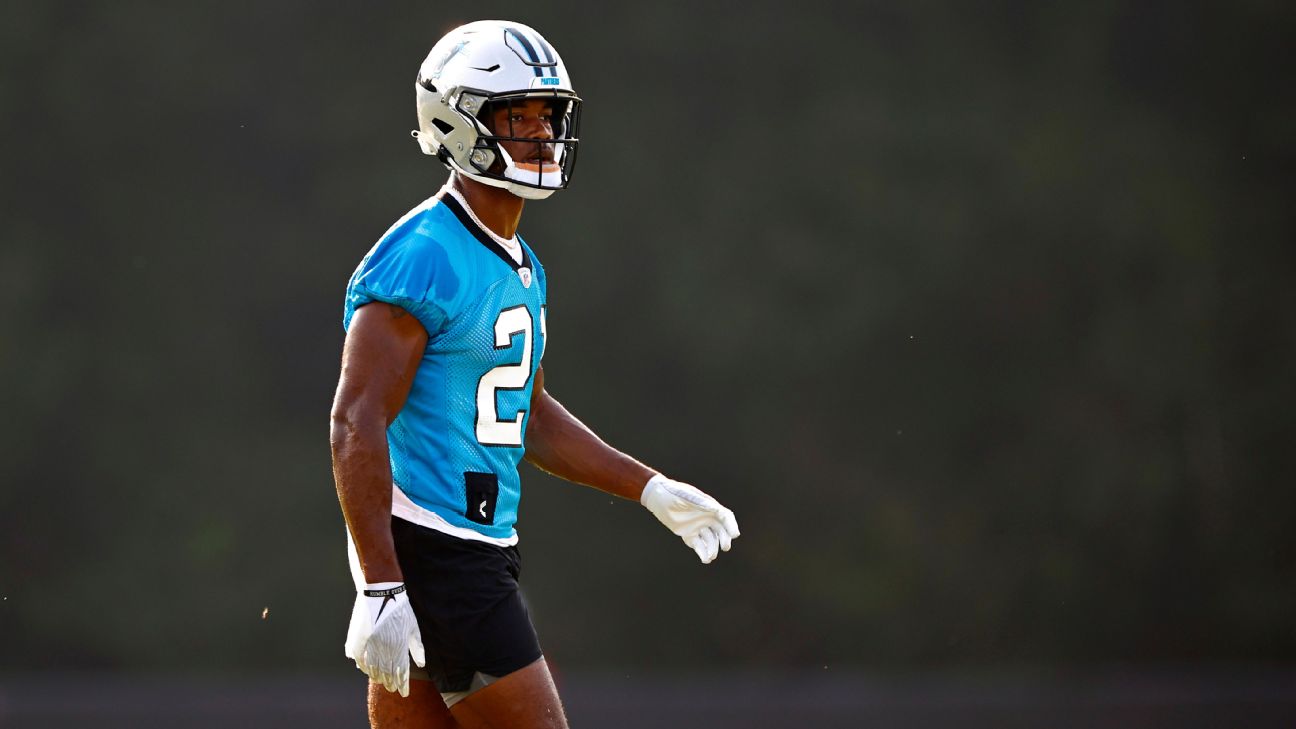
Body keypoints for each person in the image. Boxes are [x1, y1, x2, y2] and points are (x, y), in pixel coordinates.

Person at [329, 20, 740, 729]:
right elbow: (353, 418)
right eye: (517, 116)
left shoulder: (519, 261)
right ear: (457, 121)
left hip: (466, 551)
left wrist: (649, 487)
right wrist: (383, 584)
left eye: (547, 116)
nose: (542, 135)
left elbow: (530, 412)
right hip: (440, 553)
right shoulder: (424, 252)